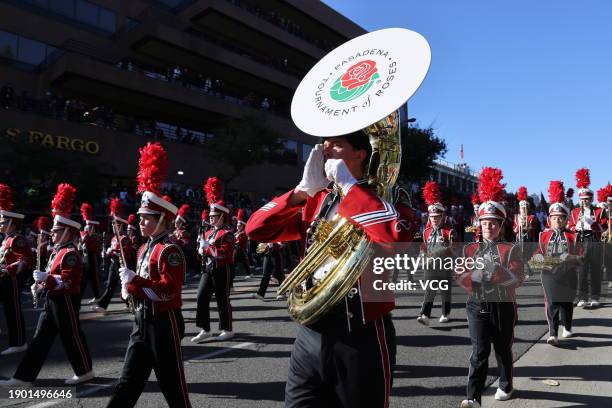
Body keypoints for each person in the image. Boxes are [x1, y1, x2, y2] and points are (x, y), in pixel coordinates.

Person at [246, 131, 417, 408]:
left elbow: (397, 238)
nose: (326, 151)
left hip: (360, 332)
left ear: (360, 153)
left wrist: (350, 186)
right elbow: (256, 230)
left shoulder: (389, 195)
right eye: (324, 146)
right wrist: (302, 191)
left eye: (337, 145)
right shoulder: (317, 198)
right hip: (310, 331)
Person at [106, 142, 191, 408]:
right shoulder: (144, 247)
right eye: (141, 217)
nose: (140, 221)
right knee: (127, 383)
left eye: (146, 218)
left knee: (173, 387)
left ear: (162, 220)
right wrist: (125, 289)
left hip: (164, 324)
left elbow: (168, 291)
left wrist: (135, 284)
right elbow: (140, 288)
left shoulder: (170, 250)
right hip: (141, 321)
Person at [0, 183, 94, 386]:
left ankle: (85, 371)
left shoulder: (70, 254)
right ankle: (23, 377)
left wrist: (46, 279)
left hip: (66, 300)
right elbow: (53, 278)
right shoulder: (57, 251)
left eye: (56, 230)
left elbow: (68, 281)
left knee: (72, 336)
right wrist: (41, 285)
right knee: (40, 339)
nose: (52, 233)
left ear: (68, 232)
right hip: (53, 300)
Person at [456, 167, 524, 407]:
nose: (489, 227)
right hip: (477, 304)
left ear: (501, 225)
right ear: (479, 224)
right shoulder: (469, 249)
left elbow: (518, 278)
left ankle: (506, 385)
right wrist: (475, 276)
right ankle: (472, 397)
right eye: (485, 223)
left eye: (494, 223)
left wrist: (494, 273)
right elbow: (460, 276)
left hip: (503, 305)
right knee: (479, 351)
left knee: (503, 349)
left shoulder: (511, 249)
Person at [531, 181, 582, 346]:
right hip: (549, 273)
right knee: (552, 302)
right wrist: (537, 260)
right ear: (550, 219)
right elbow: (537, 254)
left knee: (566, 303)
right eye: (554, 218)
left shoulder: (573, 236)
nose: (557, 220)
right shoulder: (543, 236)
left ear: (566, 219)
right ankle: (553, 333)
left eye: (560, 218)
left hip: (568, 274)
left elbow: (581, 255)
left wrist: (572, 258)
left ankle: (567, 326)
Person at [191, 177, 235, 343]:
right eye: (210, 216)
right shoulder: (208, 233)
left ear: (222, 216)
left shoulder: (228, 234)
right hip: (208, 269)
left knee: (222, 299)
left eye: (214, 216)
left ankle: (227, 328)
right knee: (201, 297)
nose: (210, 219)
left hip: (222, 269)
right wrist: (200, 249)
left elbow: (224, 254)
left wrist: (207, 248)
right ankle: (205, 328)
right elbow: (202, 254)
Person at [416, 181, 456, 325]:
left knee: (444, 291)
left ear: (442, 217)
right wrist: (422, 257)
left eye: (437, 217)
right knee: (430, 290)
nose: (434, 220)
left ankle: (446, 313)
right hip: (430, 265)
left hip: (444, 265)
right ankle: (425, 314)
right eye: (432, 217)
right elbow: (424, 246)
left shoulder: (448, 231)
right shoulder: (426, 232)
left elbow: (454, 249)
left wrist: (438, 253)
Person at [0, 183, 33, 355]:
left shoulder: (16, 239)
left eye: (3, 221)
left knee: (13, 309)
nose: (0, 223)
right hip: (4, 278)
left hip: (11, 279)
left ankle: (19, 341)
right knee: (7, 308)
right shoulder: (6, 239)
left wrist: (8, 269)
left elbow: (25, 260)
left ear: (11, 222)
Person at [568, 168, 604, 308]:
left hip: (594, 241)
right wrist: (575, 228)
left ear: (591, 199)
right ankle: (582, 297)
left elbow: (604, 228)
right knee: (581, 270)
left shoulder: (599, 211)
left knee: (595, 269)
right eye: (582, 199)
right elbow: (570, 226)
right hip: (581, 241)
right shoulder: (574, 212)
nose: (584, 202)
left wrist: (593, 223)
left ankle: (595, 297)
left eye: (587, 199)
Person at [93, 198, 135, 314]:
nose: (114, 227)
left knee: (126, 286)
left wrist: (111, 251)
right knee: (110, 286)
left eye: (116, 225)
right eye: (113, 225)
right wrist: (106, 253)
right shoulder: (113, 238)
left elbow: (125, 252)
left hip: (122, 265)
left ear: (121, 226)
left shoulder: (125, 238)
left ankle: (131, 303)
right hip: (113, 264)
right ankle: (102, 305)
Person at [512, 187, 540, 280]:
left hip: (527, 238)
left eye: (525, 208)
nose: (523, 210)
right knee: (519, 254)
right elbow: (514, 227)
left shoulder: (531, 217)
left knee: (526, 255)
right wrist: (519, 226)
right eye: (521, 208)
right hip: (519, 237)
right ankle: (526, 270)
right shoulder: (517, 217)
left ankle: (528, 270)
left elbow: (534, 227)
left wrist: (528, 226)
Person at [79, 203, 102, 304]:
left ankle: (97, 297)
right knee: (86, 279)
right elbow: (80, 245)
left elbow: (90, 245)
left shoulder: (94, 236)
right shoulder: (87, 234)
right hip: (85, 257)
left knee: (92, 278)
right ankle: (95, 297)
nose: (86, 229)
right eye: (85, 228)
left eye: (88, 228)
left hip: (91, 256)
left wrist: (85, 237)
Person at [233, 209, 251, 280]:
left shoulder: (243, 233)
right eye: (237, 224)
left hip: (241, 249)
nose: (237, 226)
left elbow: (239, 241)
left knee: (244, 262)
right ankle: (249, 273)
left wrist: (234, 239)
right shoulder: (237, 232)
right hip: (237, 250)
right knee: (237, 263)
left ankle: (249, 273)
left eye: (239, 224)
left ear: (242, 225)